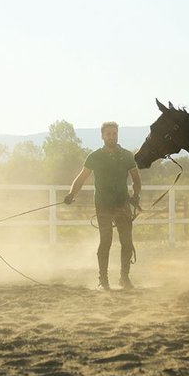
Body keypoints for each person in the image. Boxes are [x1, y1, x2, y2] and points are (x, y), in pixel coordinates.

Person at [64, 121, 142, 290]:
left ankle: (124, 278)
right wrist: (72, 194)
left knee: (127, 242)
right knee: (105, 241)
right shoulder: (94, 157)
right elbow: (81, 178)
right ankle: (103, 279)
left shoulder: (127, 156)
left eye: (114, 134)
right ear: (102, 136)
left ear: (117, 135)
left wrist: (136, 196)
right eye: (108, 134)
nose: (112, 137)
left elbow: (136, 179)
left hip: (123, 203)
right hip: (103, 205)